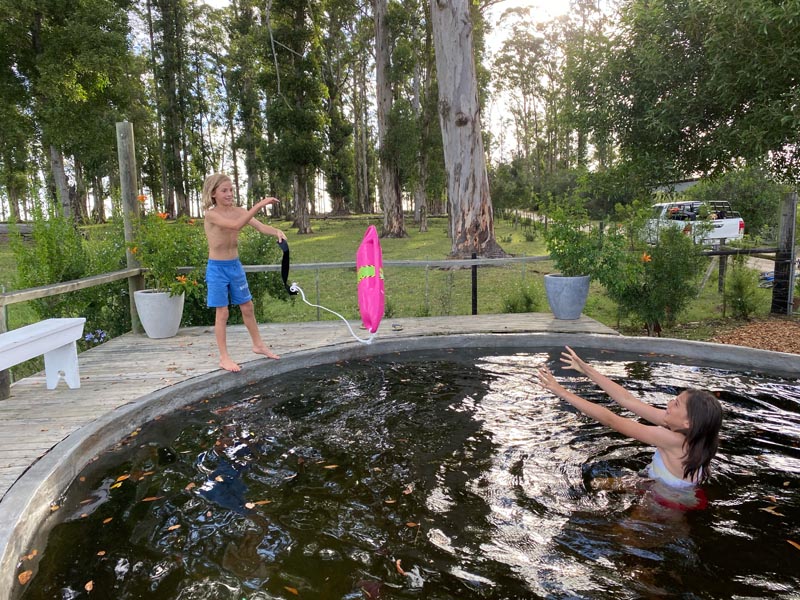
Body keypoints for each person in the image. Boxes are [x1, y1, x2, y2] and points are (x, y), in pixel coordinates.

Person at [536, 346, 723, 490]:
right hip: (654, 481)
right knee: (596, 484)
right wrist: (586, 369)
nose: (669, 403)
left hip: (668, 501)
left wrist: (561, 391)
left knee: (626, 535)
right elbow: (627, 400)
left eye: (676, 404)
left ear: (687, 423)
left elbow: (612, 420)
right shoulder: (688, 430)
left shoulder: (672, 439)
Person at [202, 173, 287, 372]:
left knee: (247, 306)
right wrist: (259, 204)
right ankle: (224, 358)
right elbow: (236, 225)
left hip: (235, 266)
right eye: (224, 190)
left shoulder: (239, 211)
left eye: (231, 190)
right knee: (222, 312)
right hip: (217, 268)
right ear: (213, 193)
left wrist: (276, 231)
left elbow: (259, 226)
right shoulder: (211, 214)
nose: (229, 194)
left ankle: (258, 345)